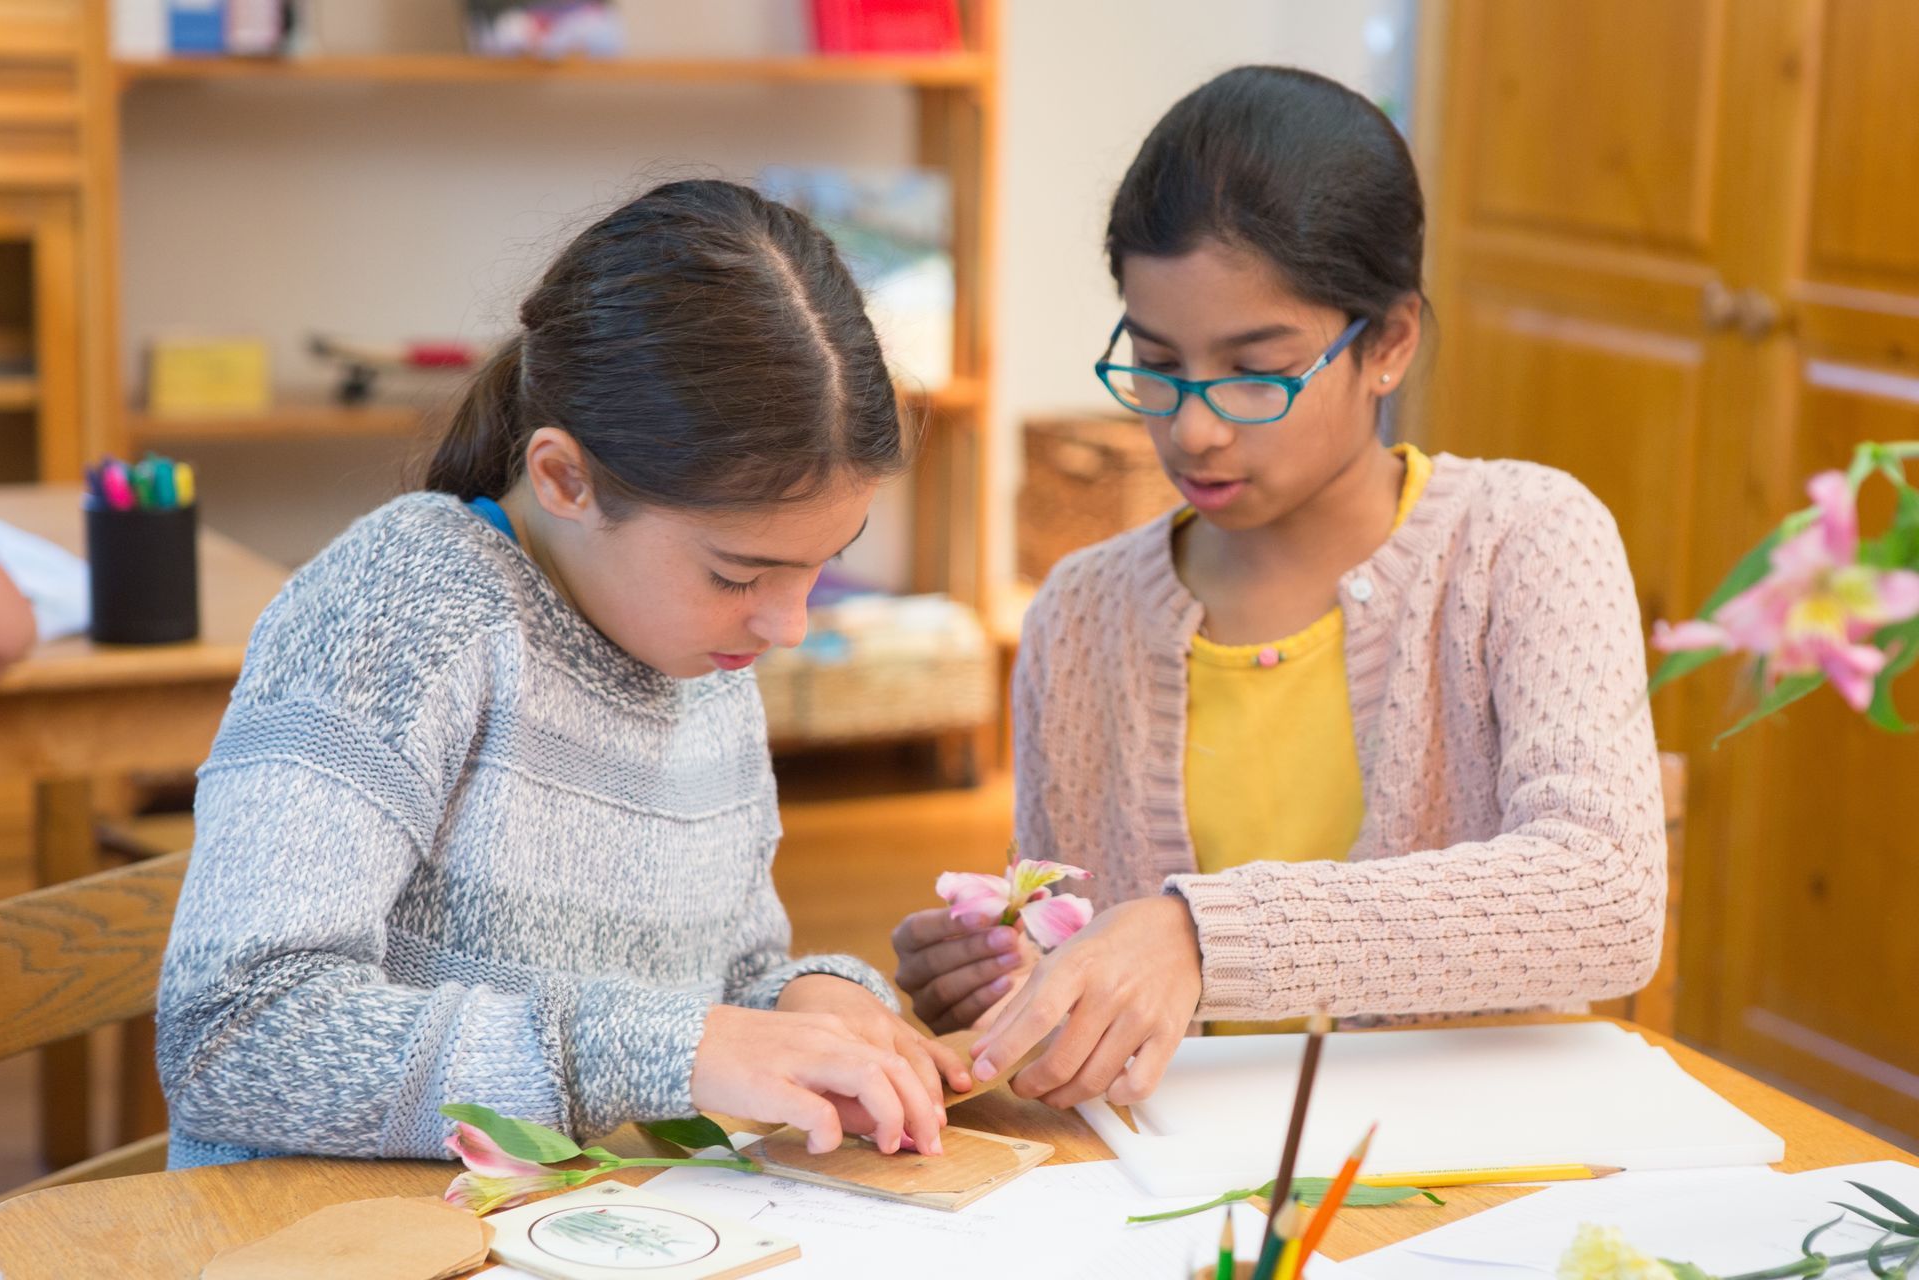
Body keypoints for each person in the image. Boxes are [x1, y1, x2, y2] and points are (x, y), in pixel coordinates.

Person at [893, 66, 1666, 1109]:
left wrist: (1201, 932)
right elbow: (1095, 979)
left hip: (1475, 1156)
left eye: (1257, 371)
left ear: (1388, 342)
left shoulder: (1523, 541)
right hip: (1181, 1173)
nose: (1194, 426)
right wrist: (1008, 985)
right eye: (1157, 362)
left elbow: (1606, 901)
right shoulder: (1082, 613)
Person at [159, 180, 969, 1171]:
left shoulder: (703, 646)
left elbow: (714, 994)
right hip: (334, 1232)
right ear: (563, 478)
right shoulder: (402, 604)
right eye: (740, 572)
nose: (790, 623)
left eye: (823, 559)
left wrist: (808, 998)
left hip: (587, 1219)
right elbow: (233, 1037)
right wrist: (658, 1050)